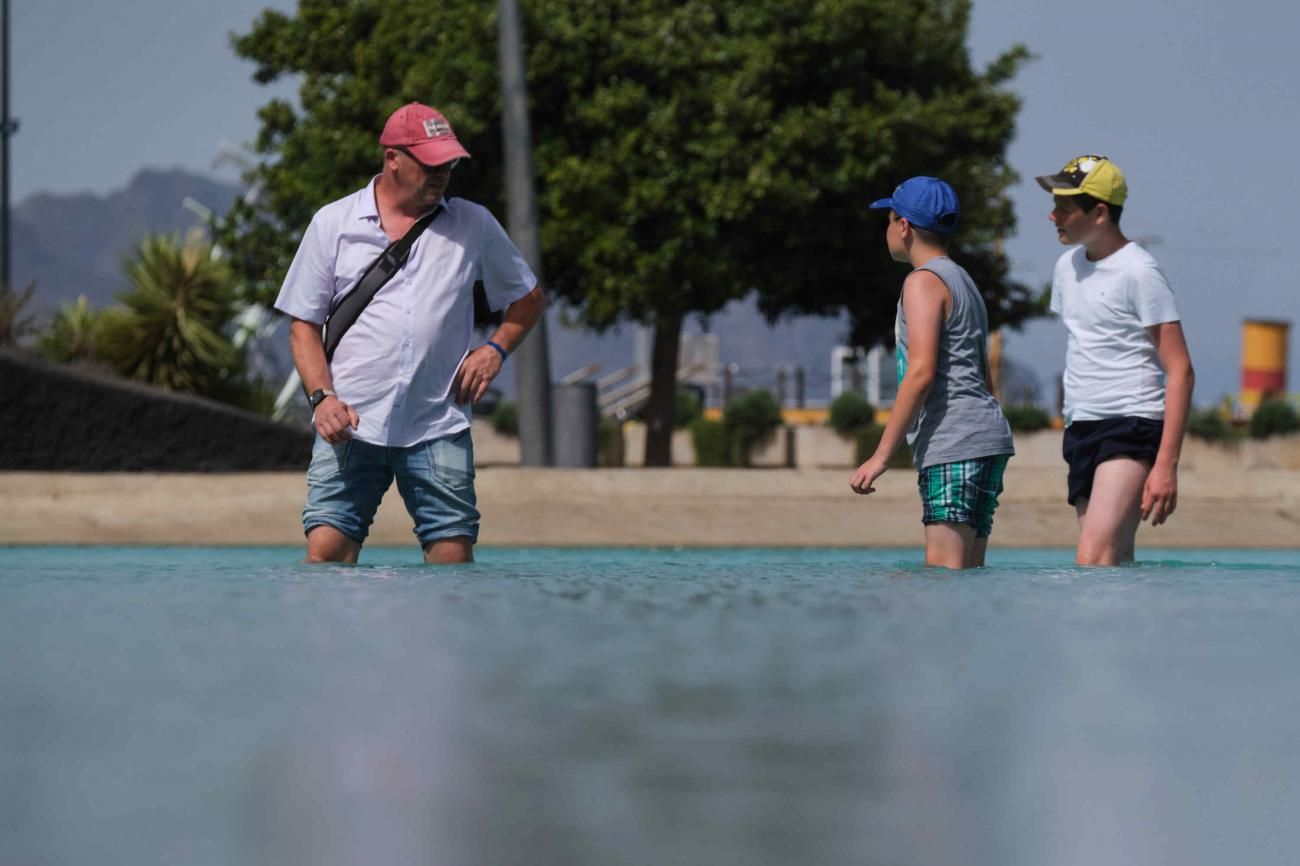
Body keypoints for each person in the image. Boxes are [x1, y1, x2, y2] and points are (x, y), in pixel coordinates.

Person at [274, 102, 546, 564]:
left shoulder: (473, 224)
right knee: (327, 552)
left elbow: (528, 298)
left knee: (452, 558)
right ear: (392, 158)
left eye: (450, 161)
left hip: (438, 423)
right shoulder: (332, 224)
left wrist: (495, 350)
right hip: (351, 423)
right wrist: (322, 399)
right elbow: (303, 326)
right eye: (431, 161)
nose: (443, 172)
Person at [1036, 154, 1194, 565]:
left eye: (1065, 208)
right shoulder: (1066, 267)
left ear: (1100, 212)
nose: (1053, 216)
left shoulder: (1140, 271)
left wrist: (1166, 465)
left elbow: (1180, 370)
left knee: (1092, 559)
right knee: (1113, 563)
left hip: (1131, 423)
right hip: (1081, 426)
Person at [850, 177, 1015, 569]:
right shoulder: (964, 281)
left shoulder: (923, 282)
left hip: (954, 442)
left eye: (889, 219)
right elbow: (984, 378)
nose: (887, 229)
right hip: (986, 440)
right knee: (967, 577)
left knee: (942, 579)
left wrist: (882, 455)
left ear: (903, 226)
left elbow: (921, 372)